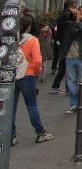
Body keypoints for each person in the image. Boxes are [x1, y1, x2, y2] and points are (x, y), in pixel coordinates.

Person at [11, 16, 55, 146]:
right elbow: (37, 61)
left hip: (12, 76)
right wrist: (35, 73)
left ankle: (11, 135)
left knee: (11, 107)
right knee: (31, 105)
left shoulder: (11, 40)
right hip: (28, 75)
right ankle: (40, 132)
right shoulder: (32, 40)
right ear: (29, 27)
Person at [64, 6, 82, 114]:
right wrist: (76, 21)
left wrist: (79, 23)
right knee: (71, 82)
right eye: (79, 11)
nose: (80, 13)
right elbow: (69, 33)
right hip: (70, 57)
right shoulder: (71, 23)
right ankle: (73, 104)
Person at [50, 0, 77, 94]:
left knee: (63, 67)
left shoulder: (63, 15)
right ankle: (67, 88)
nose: (76, 9)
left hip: (62, 44)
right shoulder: (67, 16)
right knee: (66, 67)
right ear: (69, 7)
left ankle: (56, 86)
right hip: (66, 45)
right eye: (74, 6)